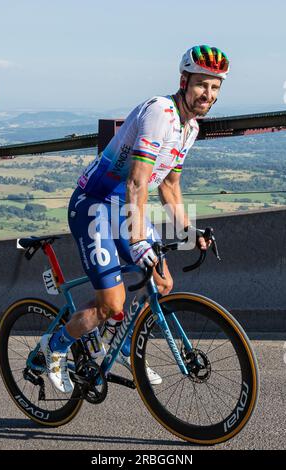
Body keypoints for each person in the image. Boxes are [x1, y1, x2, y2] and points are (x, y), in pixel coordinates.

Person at [40, 45, 230, 393]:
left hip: (126, 206)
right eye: (202, 84)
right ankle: (54, 346)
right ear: (184, 80)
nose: (208, 94)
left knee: (161, 282)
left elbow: (170, 187)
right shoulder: (161, 112)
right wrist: (140, 239)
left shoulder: (190, 129)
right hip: (95, 203)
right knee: (111, 303)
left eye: (215, 87)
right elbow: (137, 181)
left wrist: (190, 232)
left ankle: (119, 342)